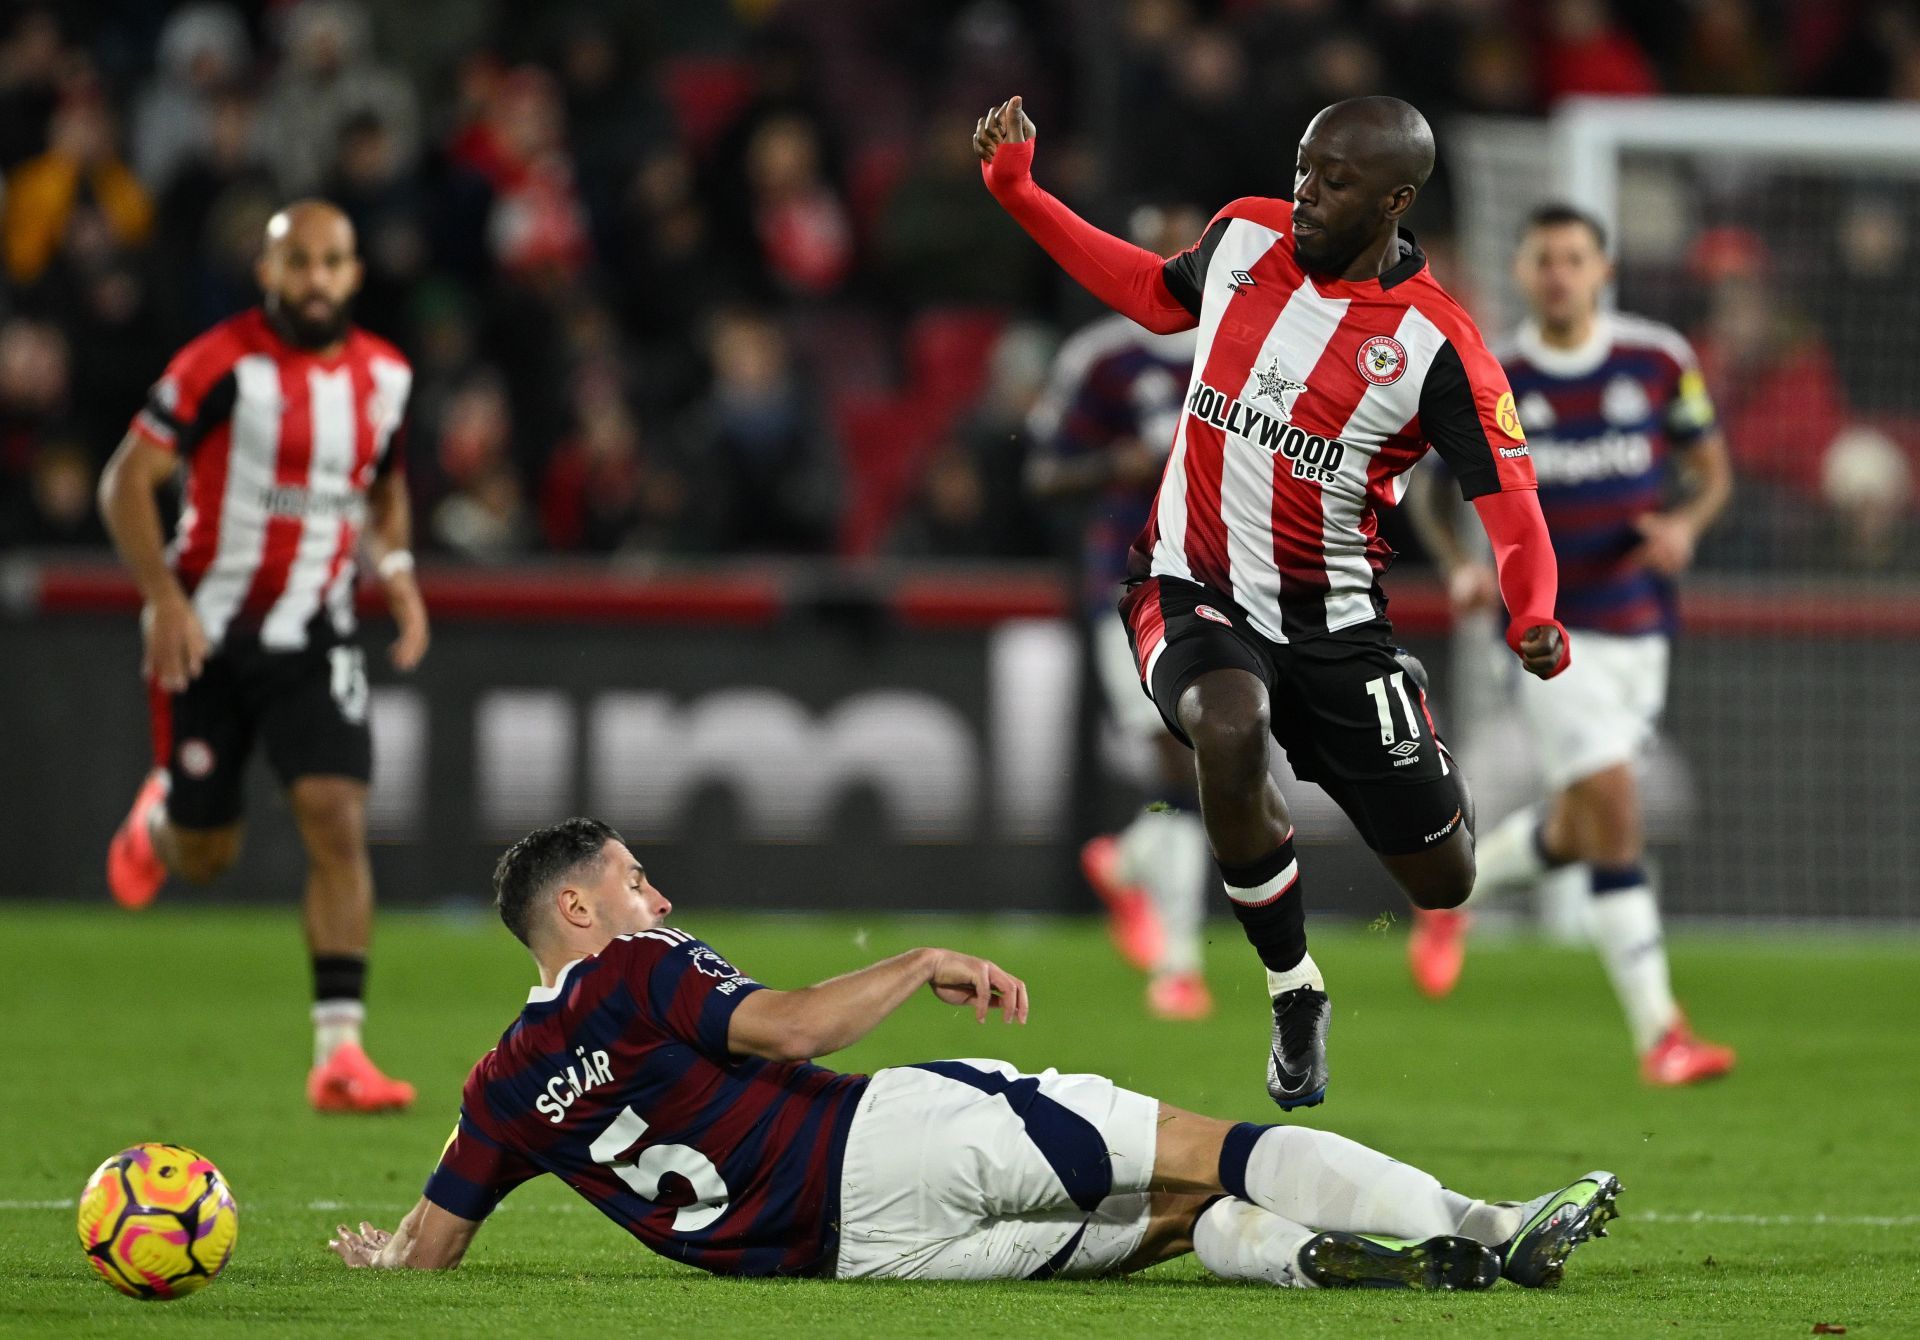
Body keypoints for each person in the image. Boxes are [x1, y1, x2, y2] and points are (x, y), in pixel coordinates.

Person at [325, 817, 1621, 1290]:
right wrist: (921, 960)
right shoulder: (637, 967)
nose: (656, 900)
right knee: (1208, 1143)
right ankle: (1489, 1223)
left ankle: (1319, 1264)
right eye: (634, 880)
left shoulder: (498, 1084)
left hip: (858, 1264)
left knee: (1174, 1222)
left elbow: (431, 1243)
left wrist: (379, 1257)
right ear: (576, 911)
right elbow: (795, 1027)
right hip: (886, 1143)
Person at [974, 95, 1569, 1110]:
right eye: (1303, 166)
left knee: (1445, 880)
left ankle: (1409, 718)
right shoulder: (1245, 235)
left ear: (1394, 199)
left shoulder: (1440, 347)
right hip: (1186, 584)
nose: (1306, 192)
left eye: (1334, 181)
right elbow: (1151, 292)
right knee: (1226, 724)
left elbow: (1513, 512)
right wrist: (1020, 193)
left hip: (1336, 627)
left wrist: (1532, 612)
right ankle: (1294, 988)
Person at [98, 200, 425, 1114]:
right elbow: (126, 478)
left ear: (354, 275)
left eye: (332, 263)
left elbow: (385, 486)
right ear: (268, 273)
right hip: (205, 630)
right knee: (205, 856)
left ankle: (341, 1054)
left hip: (316, 633)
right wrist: (160, 597)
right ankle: (158, 818)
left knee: (337, 817)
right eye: (298, 263)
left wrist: (393, 566)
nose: (315, 279)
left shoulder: (388, 378)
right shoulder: (220, 365)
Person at [1406, 204, 1737, 1086]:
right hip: (1545, 633)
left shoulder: (1659, 360)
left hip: (1641, 626)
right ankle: (1662, 1034)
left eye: (1575, 258)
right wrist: (1459, 569)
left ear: (1604, 269)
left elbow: (1710, 470)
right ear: (1521, 272)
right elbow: (1430, 494)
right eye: (1543, 258)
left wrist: (1684, 526)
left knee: (1581, 822)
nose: (1559, 273)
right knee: (1616, 815)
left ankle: (1455, 895)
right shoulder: (1492, 373)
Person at [1025, 202, 1213, 1020]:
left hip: (1226, 580)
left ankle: (1131, 857)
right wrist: (1115, 464)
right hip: (1130, 584)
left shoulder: (1245, 345)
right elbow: (1040, 473)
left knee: (1199, 762)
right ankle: (1179, 964)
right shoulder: (1101, 358)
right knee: (1186, 758)